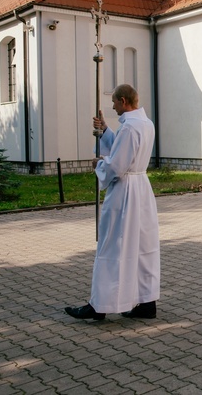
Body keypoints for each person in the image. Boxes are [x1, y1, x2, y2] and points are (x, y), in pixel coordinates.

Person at [65, 84, 160, 320]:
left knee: (111, 245)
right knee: (142, 247)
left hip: (124, 192)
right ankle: (147, 302)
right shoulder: (145, 124)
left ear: (125, 101)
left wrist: (99, 164)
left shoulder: (129, 128)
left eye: (115, 102)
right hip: (141, 190)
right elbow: (124, 148)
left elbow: (117, 166)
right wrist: (106, 131)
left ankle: (100, 305)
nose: (113, 106)